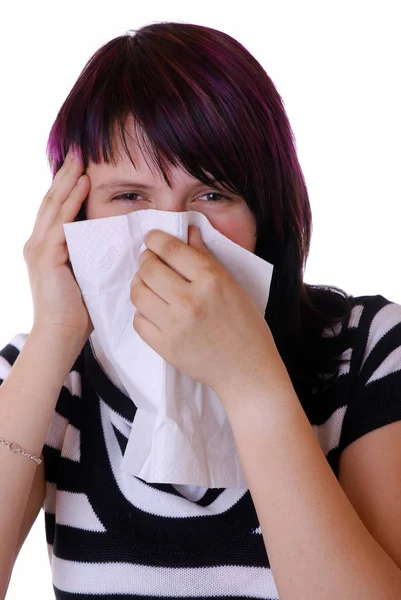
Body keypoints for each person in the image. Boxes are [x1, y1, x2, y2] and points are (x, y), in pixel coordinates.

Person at [1, 21, 401, 600]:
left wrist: (249, 379)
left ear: (266, 212)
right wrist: (54, 335)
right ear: (75, 214)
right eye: (130, 197)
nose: (175, 236)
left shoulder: (368, 353)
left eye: (212, 194)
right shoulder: (44, 375)